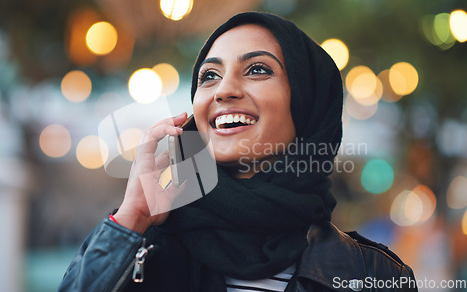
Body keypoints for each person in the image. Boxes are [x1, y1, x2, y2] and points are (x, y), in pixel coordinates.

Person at [59, 12, 417, 292]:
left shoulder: (374, 275)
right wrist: (132, 217)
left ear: (308, 106)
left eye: (257, 70)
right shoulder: (141, 246)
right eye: (209, 76)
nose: (224, 90)